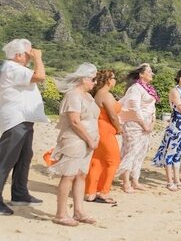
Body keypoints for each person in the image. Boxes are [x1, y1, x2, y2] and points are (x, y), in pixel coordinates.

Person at [48, 63, 100, 226]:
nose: (95, 82)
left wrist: (94, 138)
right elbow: (75, 121)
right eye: (93, 79)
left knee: (81, 174)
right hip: (75, 140)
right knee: (69, 175)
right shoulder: (73, 95)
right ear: (84, 79)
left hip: (88, 141)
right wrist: (89, 139)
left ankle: (79, 211)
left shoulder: (89, 96)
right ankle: (61, 213)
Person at [0, 39, 47, 216]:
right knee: (6, 160)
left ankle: (20, 193)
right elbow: (40, 76)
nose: (31, 56)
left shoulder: (14, 68)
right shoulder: (12, 68)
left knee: (24, 156)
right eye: (28, 54)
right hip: (15, 120)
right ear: (18, 55)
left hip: (23, 119)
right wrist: (38, 58)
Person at [153, 69, 181, 191]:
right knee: (171, 151)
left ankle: (177, 180)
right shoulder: (174, 91)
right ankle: (169, 181)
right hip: (176, 125)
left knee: (179, 152)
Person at [116, 64, 157, 193]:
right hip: (134, 124)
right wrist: (144, 123)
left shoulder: (148, 88)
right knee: (130, 152)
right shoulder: (135, 88)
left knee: (140, 152)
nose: (152, 74)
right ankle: (126, 182)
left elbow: (151, 107)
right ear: (141, 74)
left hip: (146, 124)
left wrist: (152, 122)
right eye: (149, 72)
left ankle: (135, 180)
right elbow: (134, 107)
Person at [85, 69, 122, 204]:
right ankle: (104, 191)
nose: (115, 80)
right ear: (108, 80)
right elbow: (112, 115)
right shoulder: (106, 95)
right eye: (113, 78)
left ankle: (91, 192)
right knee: (113, 161)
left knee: (97, 161)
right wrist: (119, 128)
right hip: (105, 129)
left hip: (98, 128)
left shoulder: (97, 94)